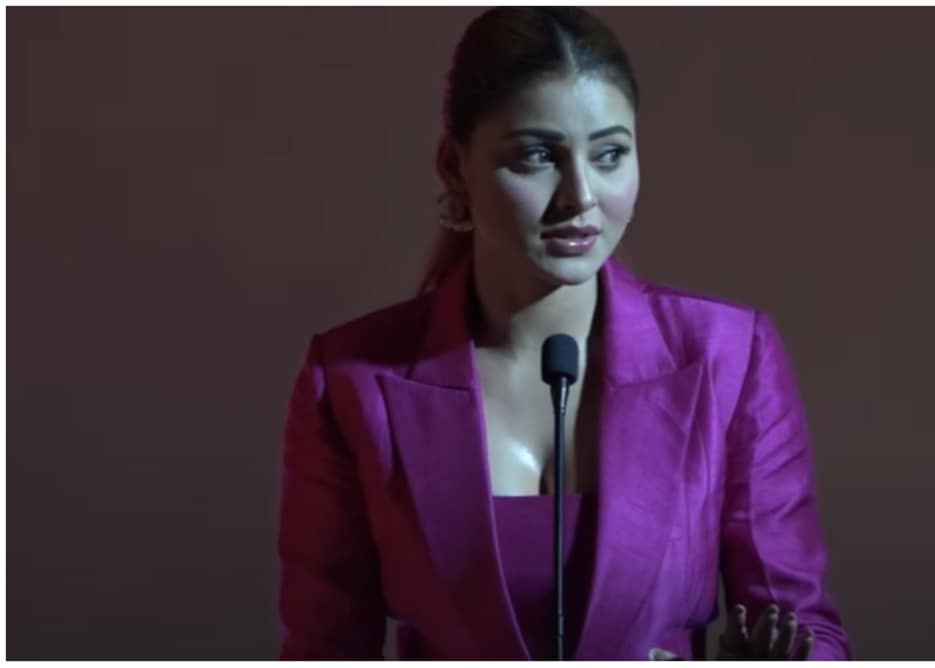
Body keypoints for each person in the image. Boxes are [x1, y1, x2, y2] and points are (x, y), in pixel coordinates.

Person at [277, 6, 851, 660]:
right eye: (537, 156)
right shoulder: (349, 380)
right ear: (453, 167)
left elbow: (804, 629)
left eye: (609, 155)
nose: (580, 195)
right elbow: (322, 649)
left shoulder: (729, 357)